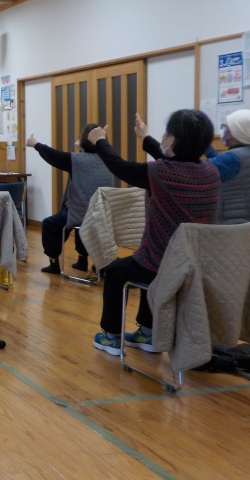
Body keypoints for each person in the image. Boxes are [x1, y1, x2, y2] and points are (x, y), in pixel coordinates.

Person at [88, 109, 220, 356]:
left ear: (174, 139)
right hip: (194, 264)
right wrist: (145, 137)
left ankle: (111, 337)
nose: (164, 137)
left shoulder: (159, 173)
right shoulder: (211, 171)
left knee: (117, 271)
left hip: (161, 263)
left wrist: (100, 141)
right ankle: (148, 333)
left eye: (166, 133)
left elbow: (120, 167)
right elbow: (176, 164)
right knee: (148, 263)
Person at [137, 110, 250, 225]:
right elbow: (216, 161)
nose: (223, 131)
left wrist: (146, 137)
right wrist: (200, 142)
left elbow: (185, 170)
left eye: (225, 127)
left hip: (231, 228)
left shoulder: (232, 159)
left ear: (234, 133)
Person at [26, 124, 114, 275]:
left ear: (84, 140)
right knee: (79, 219)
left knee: (50, 224)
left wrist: (35, 144)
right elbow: (91, 160)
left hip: (80, 214)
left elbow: (53, 155)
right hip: (101, 216)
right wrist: (87, 146)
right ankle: (82, 260)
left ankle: (54, 263)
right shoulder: (110, 159)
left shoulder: (76, 160)